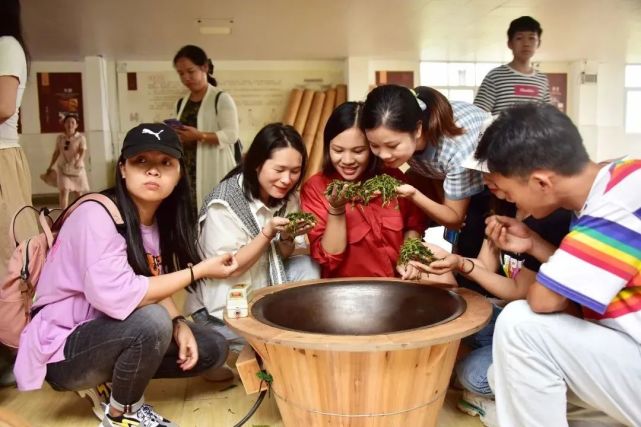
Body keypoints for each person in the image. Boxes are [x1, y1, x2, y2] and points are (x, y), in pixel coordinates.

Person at [14, 123, 239, 427]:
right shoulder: (96, 215)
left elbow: (149, 282)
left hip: (112, 330)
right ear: (123, 169)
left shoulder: (157, 220)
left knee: (212, 347)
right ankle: (123, 412)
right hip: (65, 348)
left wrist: (179, 323)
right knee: (151, 323)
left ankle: (112, 380)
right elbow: (119, 295)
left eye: (165, 163)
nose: (153, 172)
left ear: (179, 173)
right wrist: (197, 271)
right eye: (141, 161)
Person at [473, 103, 641, 426]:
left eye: (510, 192)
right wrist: (534, 244)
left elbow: (544, 300)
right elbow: (576, 285)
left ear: (540, 182)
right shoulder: (616, 179)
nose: (510, 202)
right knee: (505, 378)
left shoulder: (617, 200)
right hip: (627, 354)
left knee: (520, 326)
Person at [411, 155, 571, 427]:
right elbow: (486, 264)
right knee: (453, 318)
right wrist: (449, 260)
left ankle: (509, 393)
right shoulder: (506, 206)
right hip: (507, 314)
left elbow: (518, 292)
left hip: (534, 322)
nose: (485, 179)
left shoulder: (552, 219)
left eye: (492, 172)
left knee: (473, 375)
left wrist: (461, 265)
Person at [186, 123, 320, 350]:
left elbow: (282, 254)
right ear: (257, 164)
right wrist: (267, 234)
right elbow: (230, 267)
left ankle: (275, 328)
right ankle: (211, 340)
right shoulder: (224, 205)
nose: (287, 179)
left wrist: (287, 238)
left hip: (260, 287)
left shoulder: (289, 199)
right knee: (271, 349)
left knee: (308, 266)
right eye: (279, 170)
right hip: (221, 307)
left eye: (295, 171)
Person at [361, 85, 492, 291]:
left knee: (471, 243)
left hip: (490, 184)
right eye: (374, 146)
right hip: (445, 174)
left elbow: (454, 219)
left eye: (393, 146)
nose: (384, 155)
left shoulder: (455, 150)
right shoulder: (410, 116)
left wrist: (413, 194)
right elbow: (429, 174)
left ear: (418, 129)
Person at [300, 101, 449, 282]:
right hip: (345, 293)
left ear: (372, 148)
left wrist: (409, 256)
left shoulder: (393, 179)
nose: (347, 160)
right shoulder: (316, 188)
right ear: (328, 147)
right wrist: (337, 209)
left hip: (398, 285)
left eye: (358, 150)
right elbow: (330, 258)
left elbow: (413, 226)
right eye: (338, 150)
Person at [0, 0, 38, 388]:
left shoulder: (7, 44)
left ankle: (19, 350)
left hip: (2, 159)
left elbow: (3, 106)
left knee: (11, 259)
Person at [172, 44, 240, 210]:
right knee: (189, 213)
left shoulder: (221, 98)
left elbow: (231, 135)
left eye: (190, 71)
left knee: (213, 212)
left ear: (205, 67)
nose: (186, 77)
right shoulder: (181, 102)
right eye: (181, 73)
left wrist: (199, 136)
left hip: (213, 165)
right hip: (188, 168)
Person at [474, 16, 550, 114]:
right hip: (503, 129)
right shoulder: (495, 77)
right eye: (519, 38)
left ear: (538, 43)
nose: (526, 43)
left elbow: (548, 118)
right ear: (510, 43)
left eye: (531, 38)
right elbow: (477, 115)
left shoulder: (542, 80)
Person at [45, 114, 90, 208]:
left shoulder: (81, 138)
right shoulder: (60, 138)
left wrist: (79, 160)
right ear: (64, 124)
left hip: (76, 168)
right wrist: (50, 166)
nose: (70, 125)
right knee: (64, 190)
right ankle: (63, 214)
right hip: (62, 167)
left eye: (73, 122)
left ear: (76, 125)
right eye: (67, 122)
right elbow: (56, 153)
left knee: (78, 192)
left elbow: (83, 151)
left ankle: (80, 212)